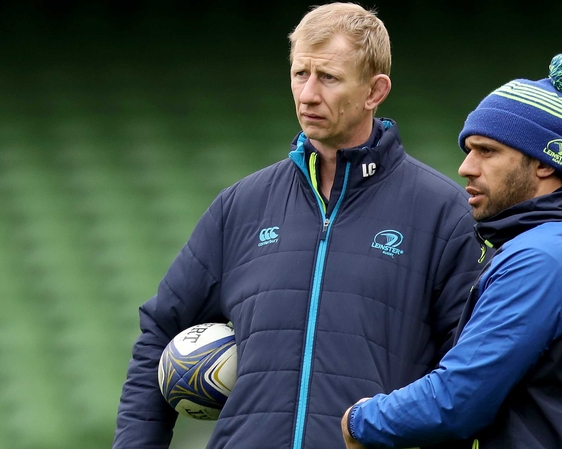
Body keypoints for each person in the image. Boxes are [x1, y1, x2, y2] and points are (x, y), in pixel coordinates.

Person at [113, 3, 483, 448]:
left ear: (374, 91)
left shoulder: (443, 214)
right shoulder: (241, 206)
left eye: (328, 77)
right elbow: (159, 332)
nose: (307, 94)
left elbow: (470, 376)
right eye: (299, 74)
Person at [342, 53, 562, 449]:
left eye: (486, 151)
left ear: (543, 162)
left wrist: (362, 420)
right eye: (468, 150)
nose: (466, 167)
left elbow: (456, 401)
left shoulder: (539, 258)